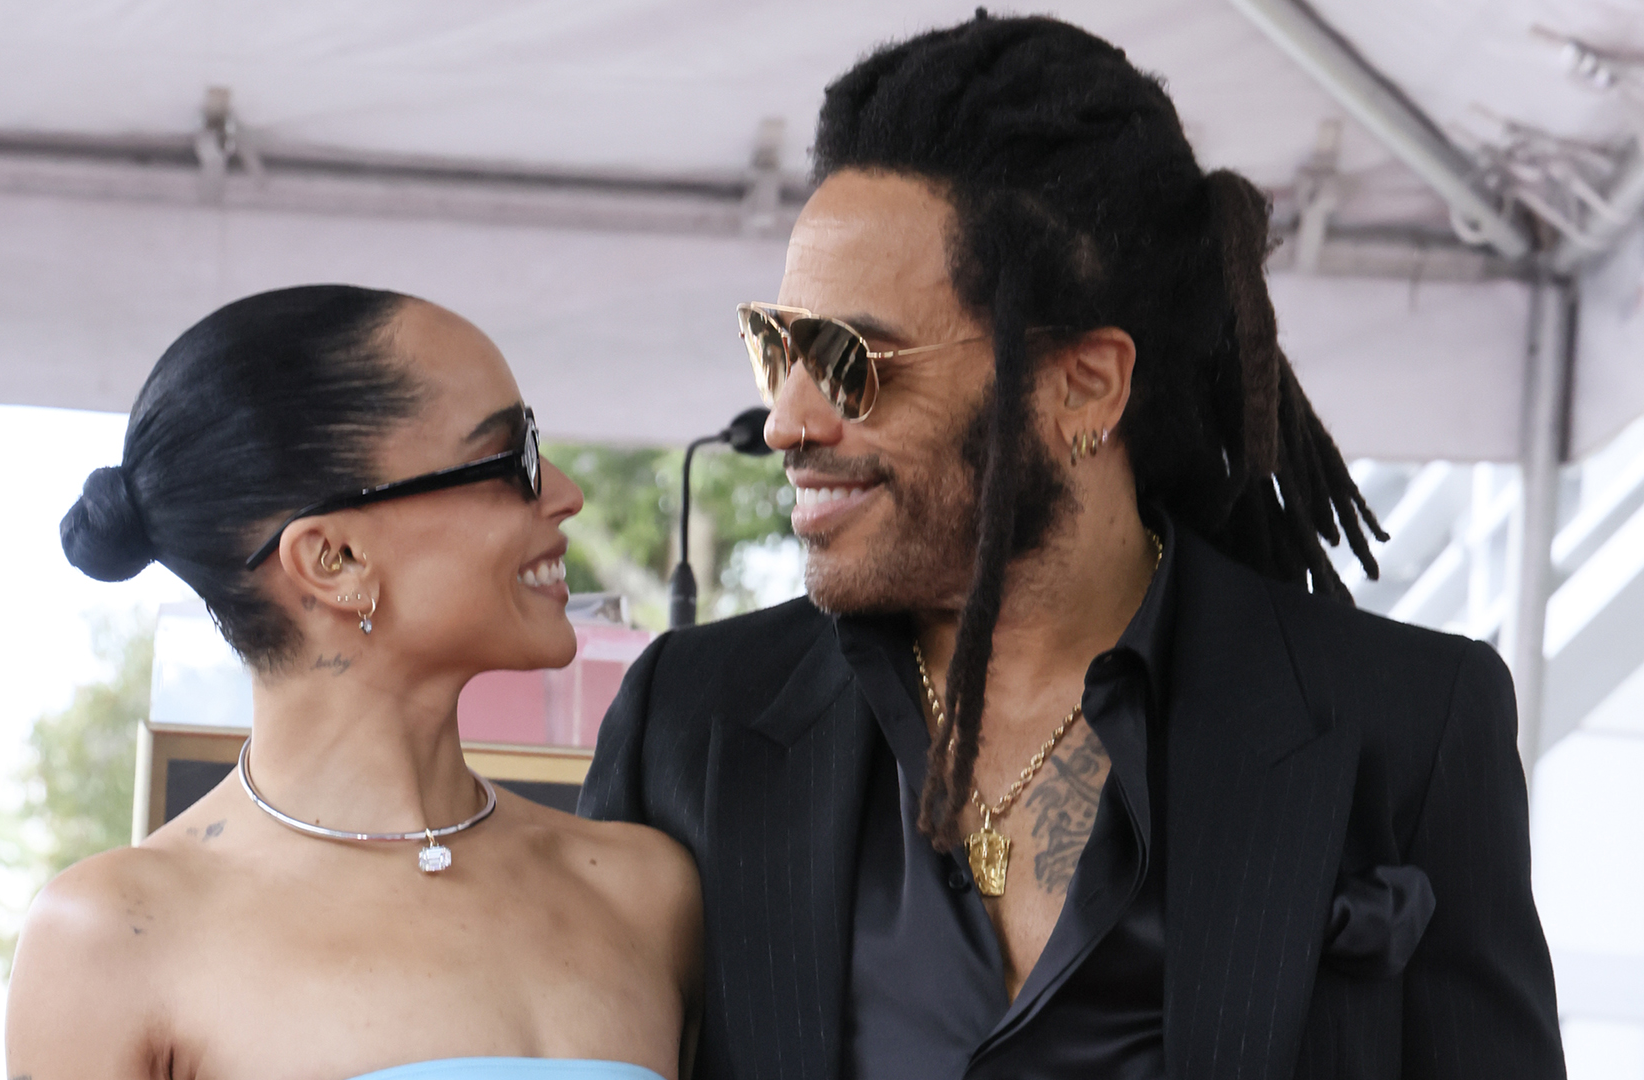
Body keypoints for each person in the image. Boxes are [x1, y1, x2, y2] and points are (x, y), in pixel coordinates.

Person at [580, 14, 1564, 1080]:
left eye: (849, 360)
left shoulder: (1407, 723)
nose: (786, 421)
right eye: (778, 347)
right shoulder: (690, 722)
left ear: (1084, 387)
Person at [8, 286, 700, 1080]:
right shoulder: (110, 941)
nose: (567, 493)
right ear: (333, 560)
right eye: (514, 460)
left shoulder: (648, 897)